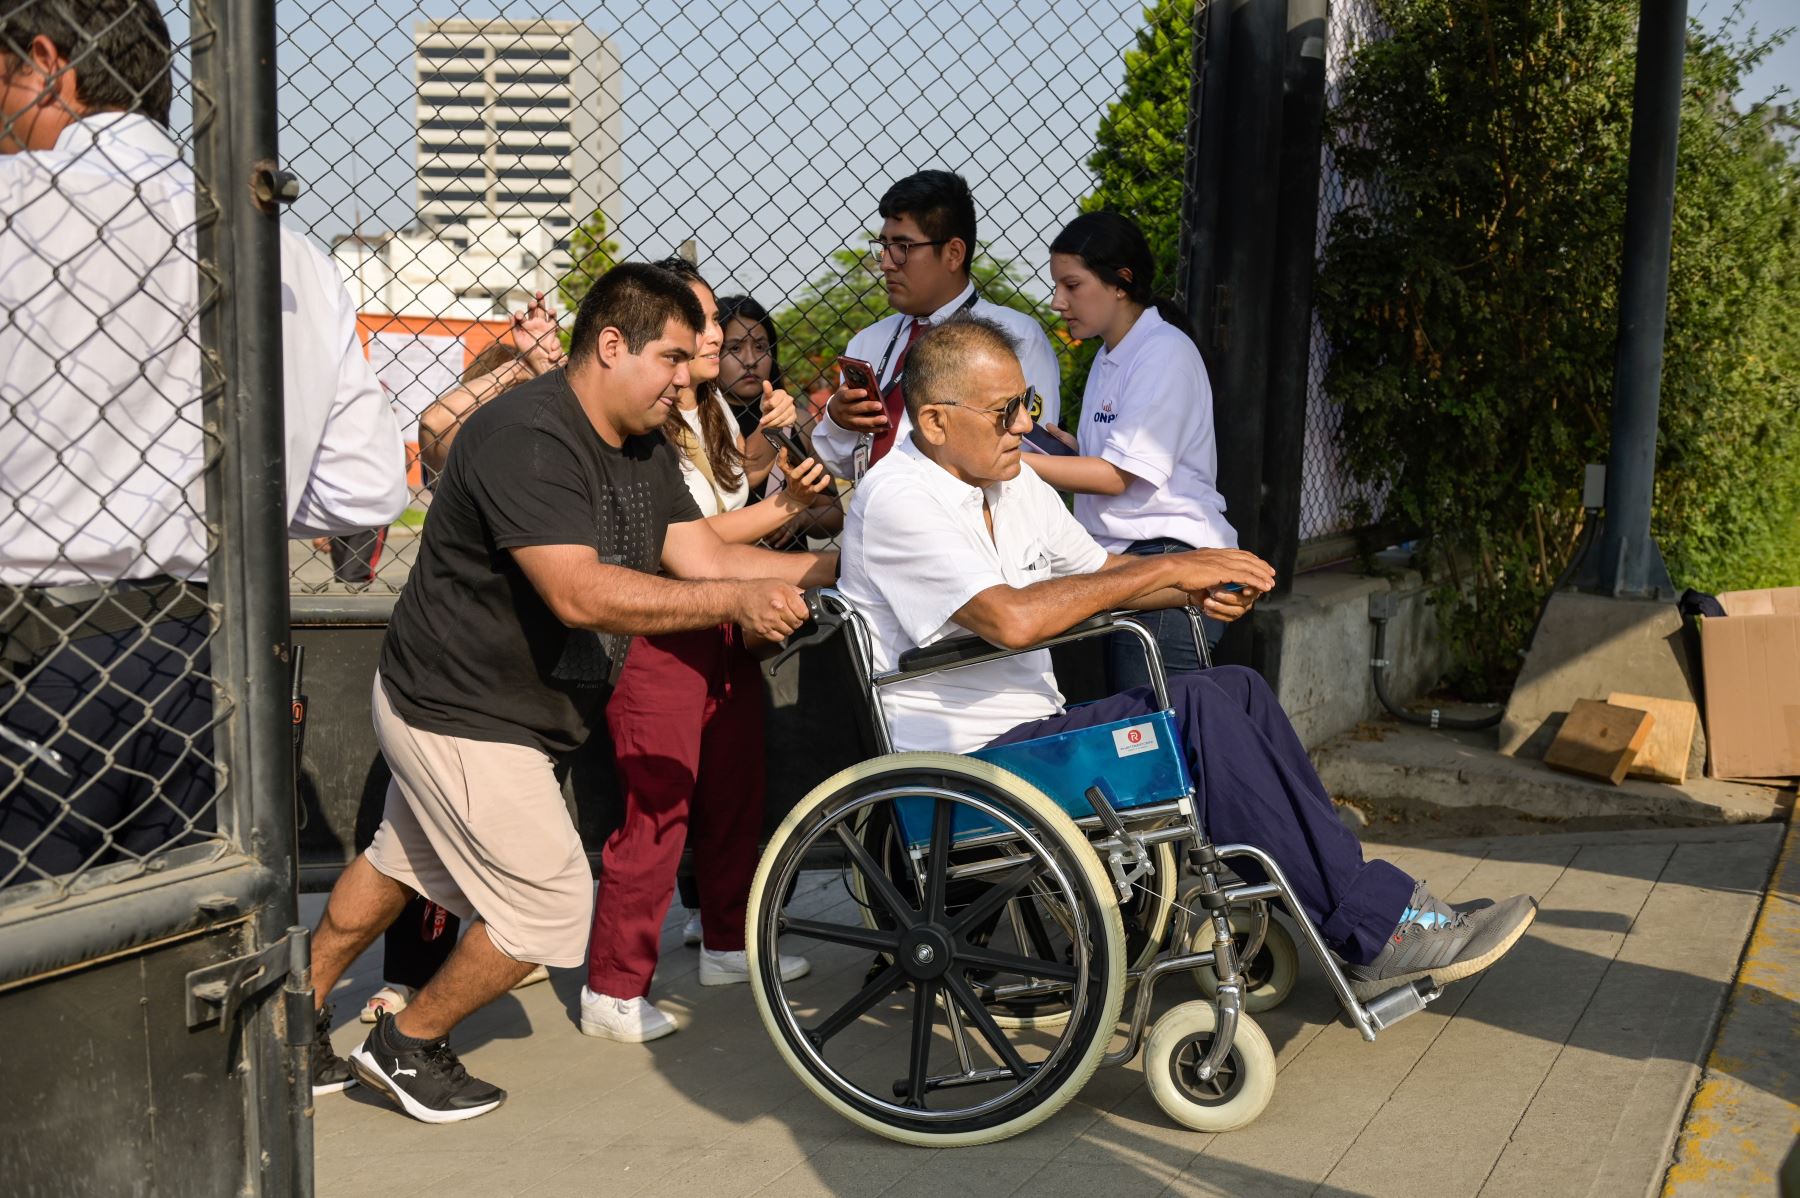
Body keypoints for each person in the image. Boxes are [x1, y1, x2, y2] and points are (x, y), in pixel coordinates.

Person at [836, 315, 1536, 1003]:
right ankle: (1377, 927)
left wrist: (1197, 586)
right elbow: (1012, 620)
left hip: (1034, 738)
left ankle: (1362, 912)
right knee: (1198, 705)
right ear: (935, 422)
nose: (1024, 424)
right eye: (1004, 411)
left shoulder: (1011, 483)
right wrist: (1168, 569)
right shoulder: (900, 498)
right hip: (966, 768)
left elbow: (1101, 572)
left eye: (1029, 403)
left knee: (1238, 688)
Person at [302, 262, 837, 1124]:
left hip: (507, 709)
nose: (686, 377)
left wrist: (835, 567)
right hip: (458, 708)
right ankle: (408, 1044)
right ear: (613, 344)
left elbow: (698, 553)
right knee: (549, 907)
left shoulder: (640, 441)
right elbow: (579, 594)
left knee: (404, 862)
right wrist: (737, 601)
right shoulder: (529, 435)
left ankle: (290, 1017)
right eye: (672, 357)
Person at [0, 0, 407, 887]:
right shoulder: (288, 254)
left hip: (33, 652)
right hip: (214, 655)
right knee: (187, 934)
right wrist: (208, 503)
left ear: (46, 62)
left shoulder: (13, 206)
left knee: (28, 939)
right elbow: (366, 489)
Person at [581, 258, 832, 1043]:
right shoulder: (647, 423)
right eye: (698, 322)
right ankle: (614, 987)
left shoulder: (715, 408)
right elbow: (693, 543)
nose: (714, 334)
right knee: (659, 807)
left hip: (727, 622)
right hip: (663, 624)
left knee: (735, 790)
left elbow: (728, 523)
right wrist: (792, 515)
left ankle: (728, 940)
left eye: (715, 319)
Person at [1024, 211, 1236, 690]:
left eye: (1072, 285)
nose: (1057, 301)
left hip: (1168, 559)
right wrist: (1073, 454)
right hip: (1127, 560)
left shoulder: (1163, 352)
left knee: (1155, 728)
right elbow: (1118, 463)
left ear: (1120, 282)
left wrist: (1010, 462)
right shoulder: (1110, 353)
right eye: (1056, 285)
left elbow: (1117, 477)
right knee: (1127, 724)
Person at [809, 170, 1061, 480]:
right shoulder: (868, 343)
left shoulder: (1016, 337)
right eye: (883, 246)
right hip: (873, 508)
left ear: (953, 253)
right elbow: (843, 466)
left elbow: (1030, 461)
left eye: (903, 248)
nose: (886, 263)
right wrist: (838, 421)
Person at [417, 292, 566, 480]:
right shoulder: (463, 453)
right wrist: (520, 368)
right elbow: (434, 422)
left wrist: (550, 376)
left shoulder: (539, 446)